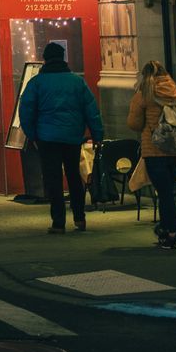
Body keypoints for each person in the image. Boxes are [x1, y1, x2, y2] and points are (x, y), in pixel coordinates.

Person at [16, 41, 105, 234]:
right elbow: (91, 110)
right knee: (74, 176)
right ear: (63, 58)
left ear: (45, 59)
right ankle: (80, 218)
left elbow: (26, 111)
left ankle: (58, 222)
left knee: (53, 179)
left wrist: (32, 135)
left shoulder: (37, 83)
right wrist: (97, 134)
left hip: (47, 138)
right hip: (72, 136)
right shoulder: (76, 81)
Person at [127, 59, 176, 250]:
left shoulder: (144, 94)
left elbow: (134, 124)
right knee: (167, 191)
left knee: (164, 193)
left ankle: (173, 233)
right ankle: (164, 229)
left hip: (155, 150)